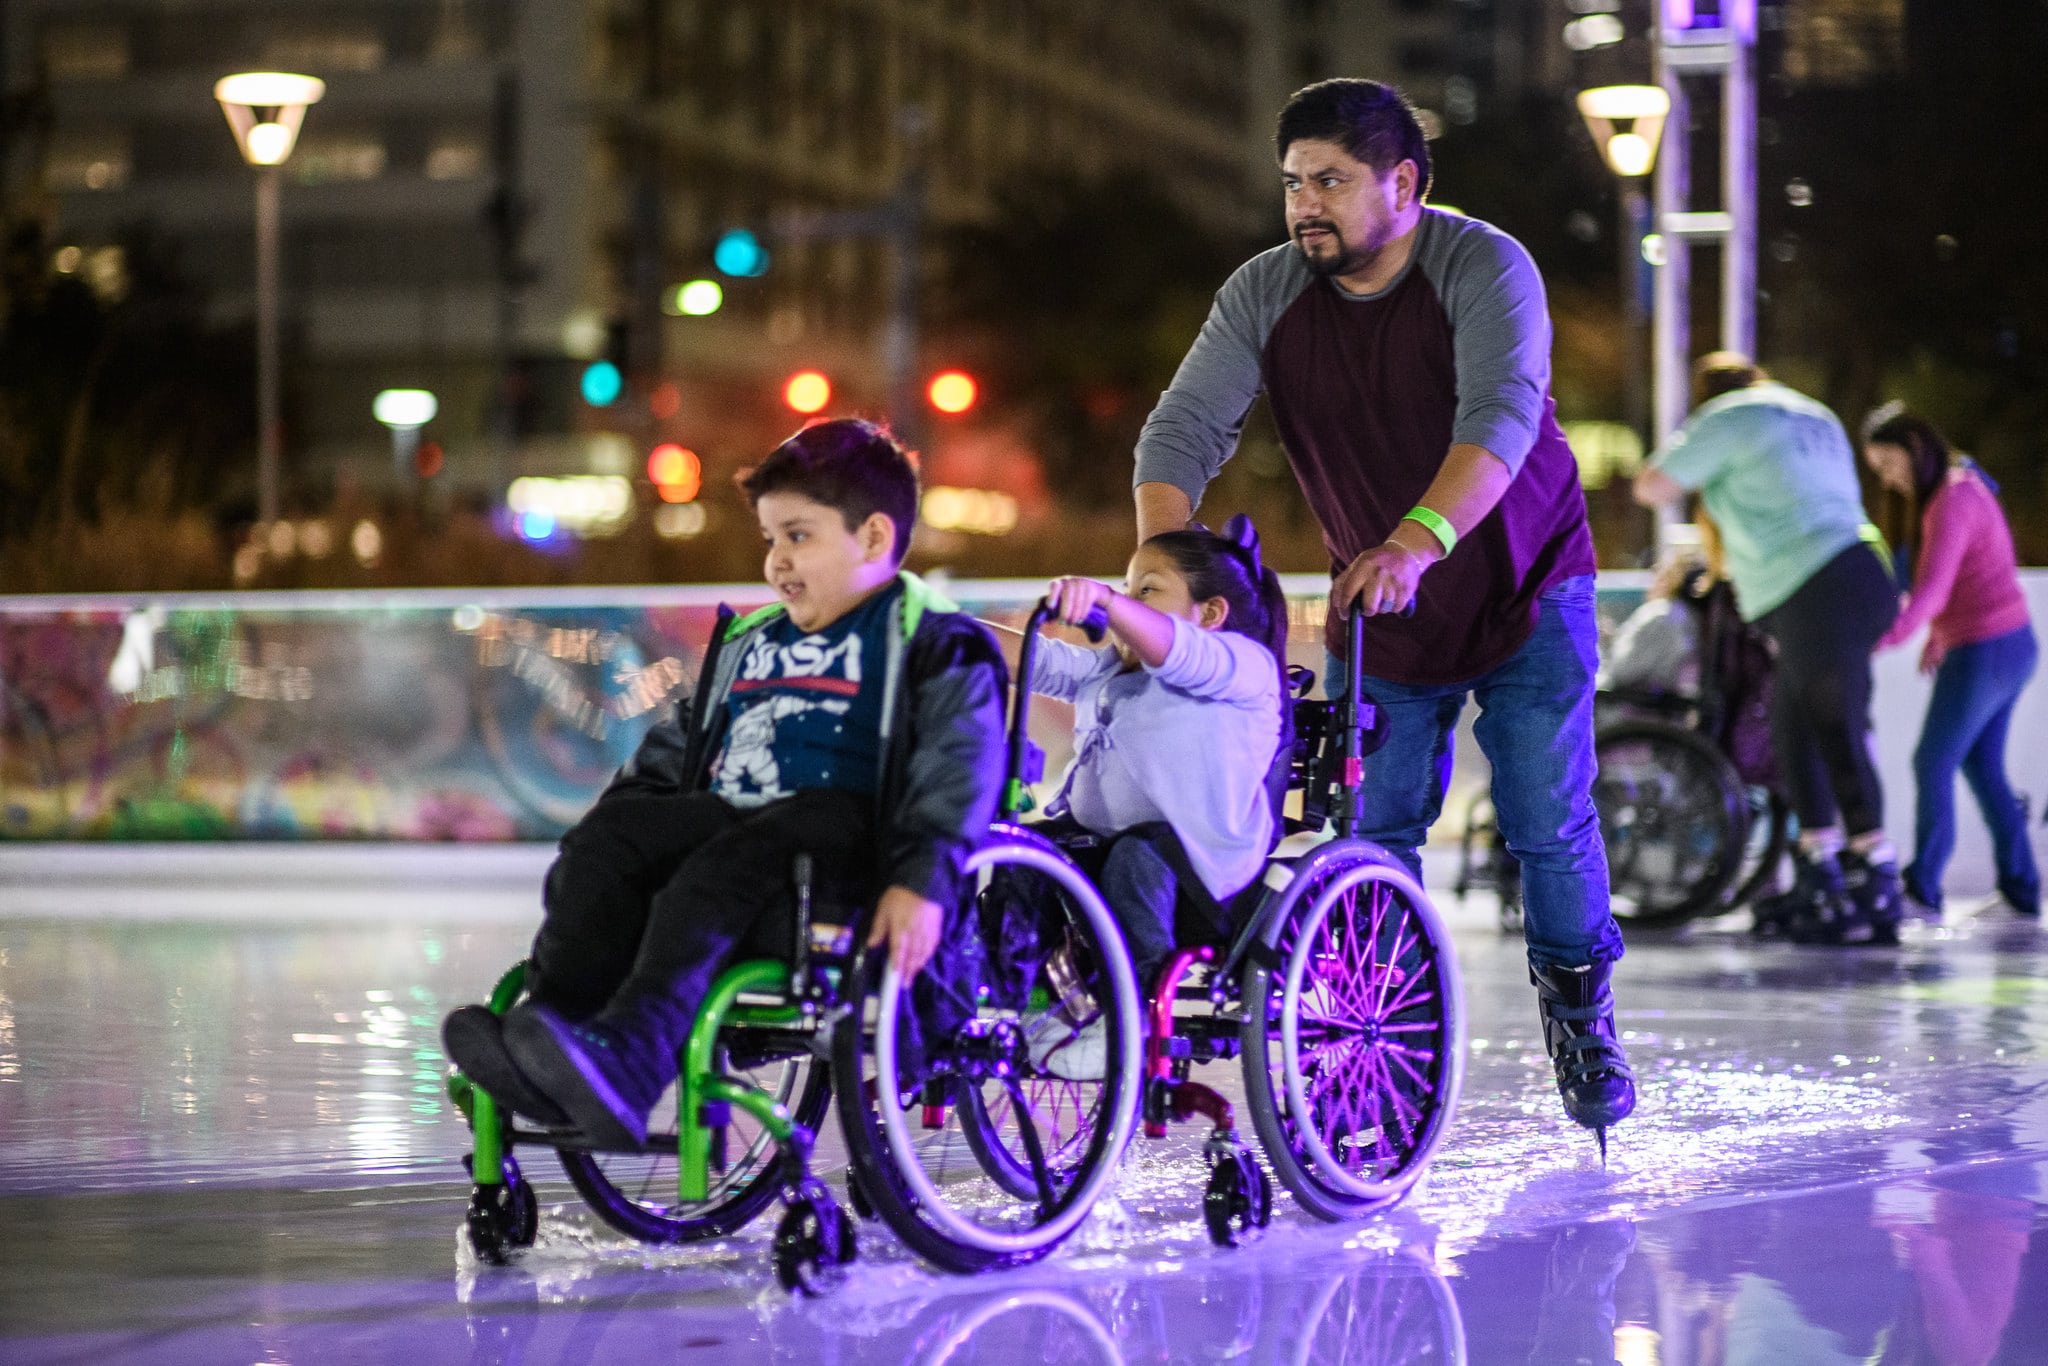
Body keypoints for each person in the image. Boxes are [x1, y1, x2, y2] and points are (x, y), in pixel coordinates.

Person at [1131, 78, 1633, 1144]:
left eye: (1329, 180)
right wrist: (1157, 557)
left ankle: (1578, 1007)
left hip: (1523, 580)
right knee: (1371, 824)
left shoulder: (1480, 265)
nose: (1303, 203)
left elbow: (1497, 416)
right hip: (1380, 607)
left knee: (1545, 818)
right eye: (1290, 183)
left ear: (1402, 184)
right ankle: (1377, 1033)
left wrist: (1415, 540)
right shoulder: (1265, 291)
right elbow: (1182, 428)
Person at [441, 418, 1008, 1145]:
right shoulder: (754, 643)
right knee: (611, 838)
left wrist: (925, 875)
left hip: (850, 843)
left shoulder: (927, 637)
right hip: (742, 827)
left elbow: (959, 760)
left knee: (729, 861)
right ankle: (553, 1038)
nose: (776, 561)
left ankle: (635, 1056)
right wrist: (622, 840)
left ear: (871, 538)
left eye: (798, 536)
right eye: (770, 539)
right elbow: (678, 749)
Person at [989, 516, 1288, 1075]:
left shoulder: (1243, 668)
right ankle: (1029, 1005)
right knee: (1020, 851)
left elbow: (1177, 651)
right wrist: (929, 624)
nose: (1124, 605)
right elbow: (1036, 661)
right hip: (1111, 851)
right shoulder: (1108, 668)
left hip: (1206, 878)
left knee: (1137, 855)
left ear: (1211, 613)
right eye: (1126, 589)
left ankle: (1133, 1017)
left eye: (1145, 590)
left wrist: (1103, 598)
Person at [1634, 354, 1902, 944]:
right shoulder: (1812, 413)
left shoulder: (1730, 416)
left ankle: (1874, 874)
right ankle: (1821, 864)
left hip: (1815, 582)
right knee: (1794, 725)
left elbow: (1653, 485)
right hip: (1860, 568)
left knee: (1833, 727)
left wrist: (1703, 461)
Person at [1864, 410, 2039, 917]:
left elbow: (1933, 589)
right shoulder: (1955, 491)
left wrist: (1882, 638)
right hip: (2007, 644)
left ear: (1916, 448)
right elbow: (1966, 578)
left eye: (1890, 463)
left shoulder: (1954, 498)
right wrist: (1938, 637)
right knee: (1983, 769)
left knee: (1933, 761)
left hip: (1987, 648)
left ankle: (1923, 885)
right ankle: (2022, 885)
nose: (1889, 480)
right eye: (1879, 470)